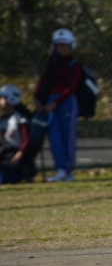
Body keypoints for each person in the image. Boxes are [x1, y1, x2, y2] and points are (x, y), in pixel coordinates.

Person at [33, 28, 82, 183]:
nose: (61, 49)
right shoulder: (51, 65)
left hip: (65, 103)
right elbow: (43, 82)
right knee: (54, 138)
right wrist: (37, 99)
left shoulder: (74, 65)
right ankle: (60, 170)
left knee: (68, 137)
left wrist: (55, 103)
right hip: (49, 104)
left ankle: (68, 171)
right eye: (58, 46)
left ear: (71, 46)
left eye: (65, 46)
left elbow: (71, 88)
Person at [0, 85, 37, 184]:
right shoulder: (2, 120)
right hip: (5, 154)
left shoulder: (20, 119)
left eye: (2, 98)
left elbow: (27, 140)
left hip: (16, 156)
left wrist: (18, 156)